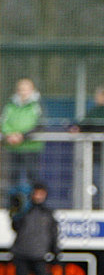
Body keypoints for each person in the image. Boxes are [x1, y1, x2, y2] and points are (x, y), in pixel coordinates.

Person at [10, 182, 63, 275]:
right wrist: (16, 212)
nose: (38, 196)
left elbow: (53, 235)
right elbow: (15, 226)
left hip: (39, 254)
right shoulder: (24, 211)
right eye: (36, 193)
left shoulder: (48, 213)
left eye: (41, 193)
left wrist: (55, 252)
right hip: (21, 253)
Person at [0, 78, 44, 206]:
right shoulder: (10, 105)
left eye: (26, 89)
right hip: (13, 148)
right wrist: (9, 135)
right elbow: (4, 122)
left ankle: (33, 206)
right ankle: (12, 206)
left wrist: (22, 136)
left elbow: (40, 124)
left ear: (32, 90)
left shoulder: (37, 105)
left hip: (31, 148)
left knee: (32, 178)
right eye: (20, 89)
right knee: (12, 179)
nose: (23, 92)